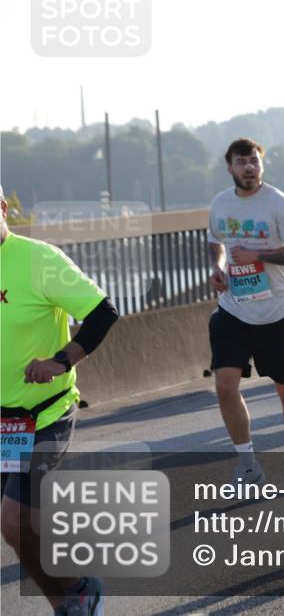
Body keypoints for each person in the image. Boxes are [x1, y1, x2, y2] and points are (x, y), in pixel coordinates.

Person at [1, 184, 119, 615]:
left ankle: (81, 588)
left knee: (14, 520)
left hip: (44, 413)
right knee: (20, 528)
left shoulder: (38, 259)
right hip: (3, 423)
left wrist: (60, 360)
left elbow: (102, 312)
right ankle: (71, 601)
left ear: (3, 208)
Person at [207, 138, 284, 486]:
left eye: (254, 161)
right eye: (242, 162)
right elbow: (217, 240)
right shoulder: (220, 205)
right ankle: (248, 464)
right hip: (233, 310)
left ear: (261, 166)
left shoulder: (279, 203)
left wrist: (259, 256)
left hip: (276, 312)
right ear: (230, 168)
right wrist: (220, 267)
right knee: (225, 386)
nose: (249, 168)